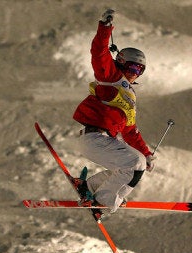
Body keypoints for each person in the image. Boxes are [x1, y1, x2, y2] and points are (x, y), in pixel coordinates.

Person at [72, 8, 156, 215]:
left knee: (138, 164)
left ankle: (92, 188)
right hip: (95, 137)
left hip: (103, 140)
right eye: (131, 68)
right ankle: (104, 198)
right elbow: (99, 53)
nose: (134, 73)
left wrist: (147, 154)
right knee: (133, 162)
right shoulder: (111, 77)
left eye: (139, 71)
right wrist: (105, 28)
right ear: (120, 62)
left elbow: (130, 131)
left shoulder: (129, 96)